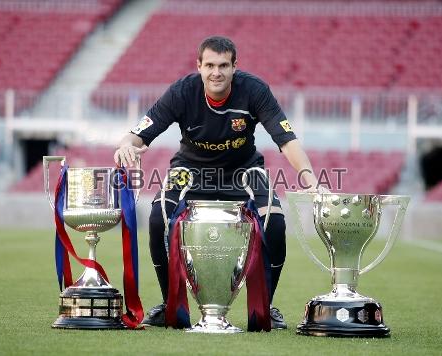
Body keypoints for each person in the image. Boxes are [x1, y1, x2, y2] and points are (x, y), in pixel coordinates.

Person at [114, 36, 322, 330]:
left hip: (243, 170)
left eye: (224, 65)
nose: (216, 72)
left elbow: (286, 140)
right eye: (209, 65)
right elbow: (139, 133)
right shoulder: (182, 91)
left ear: (235, 67)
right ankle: (168, 305)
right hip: (191, 169)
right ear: (198, 66)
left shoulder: (255, 90)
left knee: (274, 220)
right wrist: (125, 144)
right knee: (159, 214)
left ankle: (266, 309)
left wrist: (310, 181)